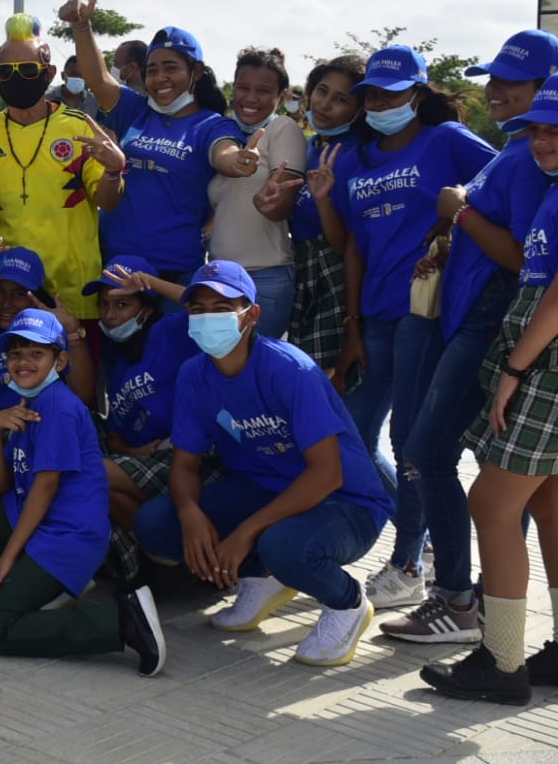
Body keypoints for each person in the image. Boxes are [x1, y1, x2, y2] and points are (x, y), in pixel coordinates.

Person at [422, 72, 558, 705]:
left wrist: (515, 370)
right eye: (535, 130)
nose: (542, 141)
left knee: (491, 502)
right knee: (550, 503)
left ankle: (502, 661)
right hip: (555, 344)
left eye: (557, 129)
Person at [380, 30, 558, 645]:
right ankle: (483, 603)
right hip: (472, 316)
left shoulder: (532, 160)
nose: (494, 93)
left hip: (492, 322)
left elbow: (521, 259)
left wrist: (460, 212)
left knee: (431, 452)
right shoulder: (517, 151)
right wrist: (450, 241)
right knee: (482, 465)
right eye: (492, 81)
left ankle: (460, 599)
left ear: (550, 90)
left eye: (510, 84)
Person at [134, 262, 395, 667]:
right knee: (156, 523)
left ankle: (347, 603)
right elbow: (185, 463)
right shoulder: (193, 375)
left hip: (344, 501)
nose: (207, 319)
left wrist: (246, 532)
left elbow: (328, 473)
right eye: (197, 310)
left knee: (282, 544)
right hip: (262, 489)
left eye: (221, 308)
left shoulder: (291, 370)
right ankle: (262, 576)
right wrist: (189, 513)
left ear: (251, 315)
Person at [310, 45, 495, 610]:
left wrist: (453, 217)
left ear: (417, 94)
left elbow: (505, 185)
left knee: (409, 442)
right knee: (355, 435)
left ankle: (408, 562)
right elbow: (352, 248)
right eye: (372, 94)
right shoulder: (355, 158)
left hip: (427, 314)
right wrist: (353, 325)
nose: (380, 101)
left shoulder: (447, 142)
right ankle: (436, 537)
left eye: (393, 92)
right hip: (376, 318)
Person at [0, 308, 167, 675]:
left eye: (36, 353)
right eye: (16, 353)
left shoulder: (58, 408)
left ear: (60, 360)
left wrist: (6, 559)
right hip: (40, 521)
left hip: (68, 537)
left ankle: (121, 620)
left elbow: (46, 487)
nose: (23, 362)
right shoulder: (26, 402)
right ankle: (44, 583)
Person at [58, 0, 256, 286]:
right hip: (117, 266)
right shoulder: (134, 109)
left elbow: (222, 152)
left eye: (171, 68)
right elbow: (98, 78)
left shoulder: (210, 125)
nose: (160, 77)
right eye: (152, 70)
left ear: (196, 72)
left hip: (175, 271)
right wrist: (82, 27)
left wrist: (235, 161)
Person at [0, 13, 117, 323]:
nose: (15, 78)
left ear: (49, 72)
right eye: (6, 71)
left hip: (72, 295)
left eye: (27, 69)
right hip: (7, 296)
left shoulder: (80, 127)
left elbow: (108, 201)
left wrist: (113, 171)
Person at [0, 244, 93, 486]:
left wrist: (73, 333)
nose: (6, 303)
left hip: (46, 434)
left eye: (19, 293)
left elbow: (83, 395)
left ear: (35, 297)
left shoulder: (51, 333)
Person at [85, 257, 211, 536]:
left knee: (89, 473)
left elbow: (206, 306)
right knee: (104, 492)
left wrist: (151, 283)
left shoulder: (171, 332)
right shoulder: (118, 367)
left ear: (146, 310)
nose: (109, 315)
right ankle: (164, 557)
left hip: (190, 457)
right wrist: (134, 452)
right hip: (148, 460)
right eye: (104, 304)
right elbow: (115, 434)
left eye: (122, 304)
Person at [211, 46, 307, 338]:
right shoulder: (224, 134)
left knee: (252, 371)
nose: (251, 98)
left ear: (282, 96)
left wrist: (269, 201)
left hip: (263, 280)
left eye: (263, 91)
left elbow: (282, 204)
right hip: (220, 279)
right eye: (243, 88)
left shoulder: (283, 128)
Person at [281, 55, 365, 374]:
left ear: (358, 110)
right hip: (301, 265)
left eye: (341, 99)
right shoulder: (312, 145)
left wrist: (323, 201)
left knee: (321, 377)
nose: (325, 104)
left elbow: (345, 244)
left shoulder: (353, 154)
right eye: (321, 90)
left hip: (332, 274)